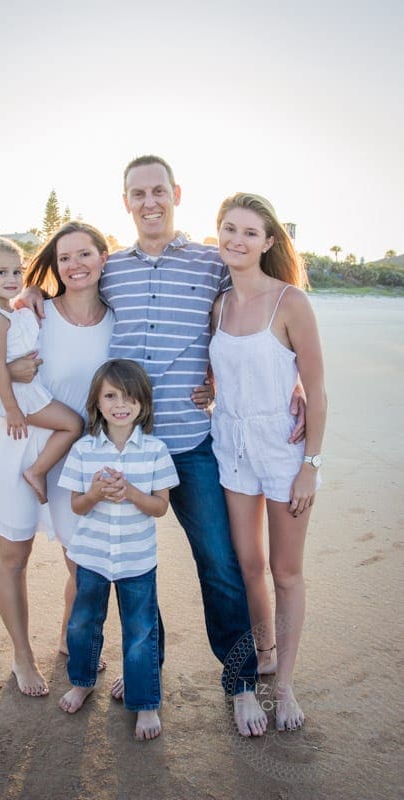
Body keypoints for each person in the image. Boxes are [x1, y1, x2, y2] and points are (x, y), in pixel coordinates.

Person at [24, 155, 306, 736]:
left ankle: (241, 684)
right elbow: (58, 284)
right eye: (137, 193)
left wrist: (296, 382)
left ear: (176, 193)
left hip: (194, 442)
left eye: (158, 190)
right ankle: (141, 665)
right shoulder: (111, 267)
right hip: (124, 445)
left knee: (221, 567)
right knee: (127, 561)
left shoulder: (212, 261)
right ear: (124, 201)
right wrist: (29, 294)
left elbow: (270, 309)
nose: (149, 201)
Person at [0, 225, 114, 694]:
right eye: (65, 257)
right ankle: (22, 657)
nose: (75, 265)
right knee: (15, 554)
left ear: (102, 259)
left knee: (81, 561)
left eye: (84, 254)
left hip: (77, 455)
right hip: (19, 439)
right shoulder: (34, 309)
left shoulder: (119, 317)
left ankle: (73, 641)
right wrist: (6, 372)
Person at [210, 193, 327, 731]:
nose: (237, 240)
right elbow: (227, 373)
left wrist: (311, 463)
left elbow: (318, 390)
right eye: (229, 229)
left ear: (269, 242)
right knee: (248, 566)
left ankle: (285, 686)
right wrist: (206, 390)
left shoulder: (291, 302)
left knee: (286, 571)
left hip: (283, 452)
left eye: (250, 232)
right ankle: (264, 654)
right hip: (230, 447)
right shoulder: (220, 304)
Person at [57, 359, 179, 740]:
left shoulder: (156, 450)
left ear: (143, 402)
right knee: (82, 623)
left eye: (128, 396)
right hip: (91, 556)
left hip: (137, 559)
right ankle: (83, 680)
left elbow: (160, 507)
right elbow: (76, 505)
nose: (120, 404)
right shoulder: (83, 450)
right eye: (111, 395)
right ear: (97, 400)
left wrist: (131, 493)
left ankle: (145, 704)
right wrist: (95, 492)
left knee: (140, 632)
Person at [0, 236, 83, 505]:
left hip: (20, 389)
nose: (11, 279)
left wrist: (33, 289)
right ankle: (37, 471)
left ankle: (37, 470)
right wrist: (13, 411)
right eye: (1, 272)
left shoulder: (4, 310)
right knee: (73, 425)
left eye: (16, 272)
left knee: (72, 424)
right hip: (18, 394)